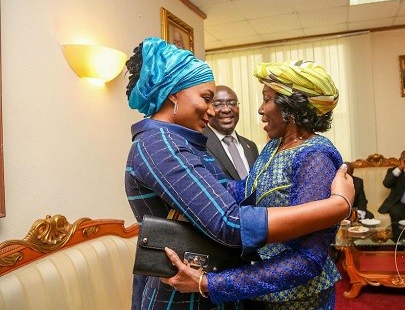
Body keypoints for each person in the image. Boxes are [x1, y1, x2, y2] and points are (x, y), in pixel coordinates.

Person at [124, 38, 353, 309]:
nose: (258, 108)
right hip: (189, 294)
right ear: (174, 94)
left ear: (291, 107)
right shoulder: (161, 143)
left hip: (291, 298)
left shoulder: (314, 155)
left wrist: (215, 284)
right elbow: (230, 217)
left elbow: (306, 257)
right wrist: (338, 206)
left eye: (267, 99)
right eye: (206, 98)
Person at [203, 85, 259, 180]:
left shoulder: (251, 146)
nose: (226, 109)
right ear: (208, 109)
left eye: (232, 103)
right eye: (217, 104)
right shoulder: (200, 145)